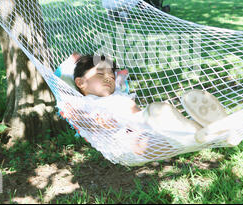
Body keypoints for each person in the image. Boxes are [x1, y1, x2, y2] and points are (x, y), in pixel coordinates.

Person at [69, 54, 229, 157]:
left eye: (111, 74)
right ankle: (199, 134)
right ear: (81, 82)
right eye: (100, 74)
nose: (109, 78)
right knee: (142, 139)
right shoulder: (85, 103)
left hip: (146, 124)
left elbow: (135, 113)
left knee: (158, 113)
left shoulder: (118, 94)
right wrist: (96, 122)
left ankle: (203, 129)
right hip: (124, 139)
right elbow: (79, 118)